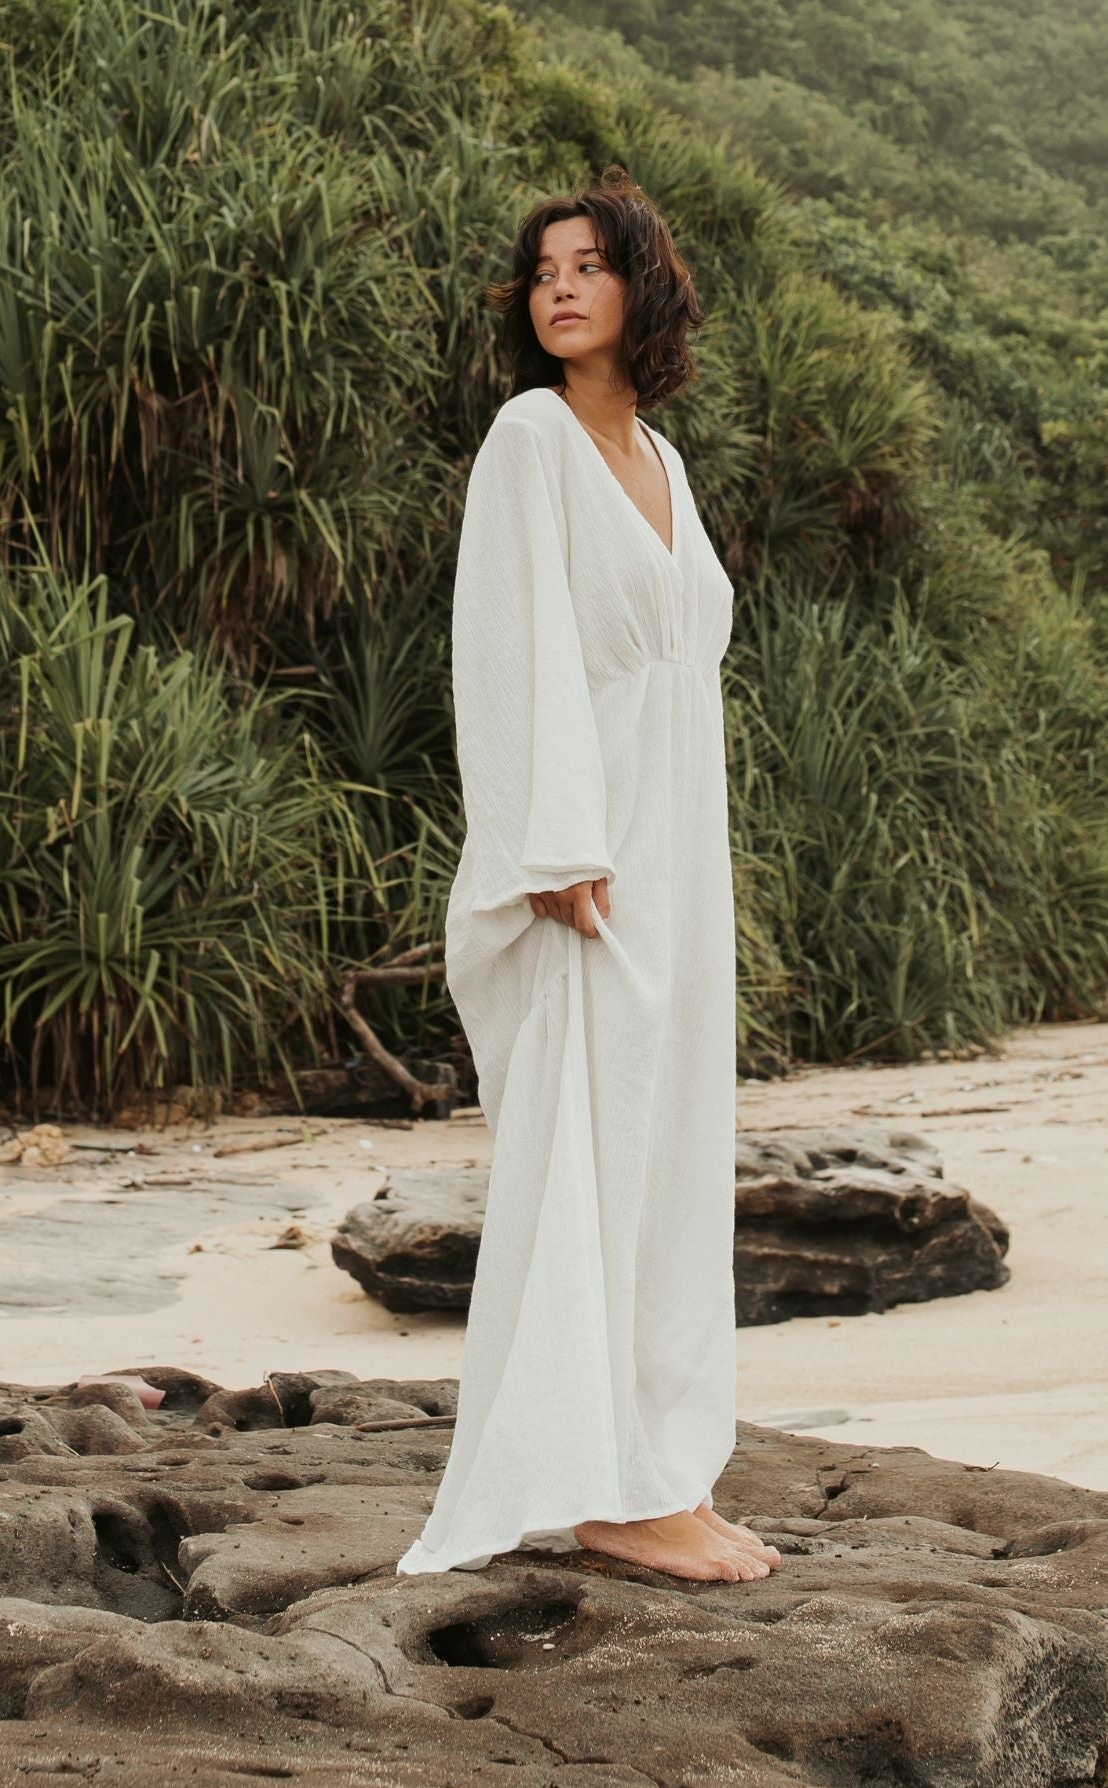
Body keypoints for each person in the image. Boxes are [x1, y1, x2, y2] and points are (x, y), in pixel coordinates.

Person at [396, 166, 779, 1583]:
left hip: (681, 848)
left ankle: (665, 1461)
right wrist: (550, 844)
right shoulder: (530, 439)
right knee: (593, 1146)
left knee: (671, 1149)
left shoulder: (663, 463)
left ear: (642, 289)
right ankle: (600, 1484)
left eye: (588, 265)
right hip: (591, 855)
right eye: (543, 269)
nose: (559, 286)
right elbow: (506, 648)